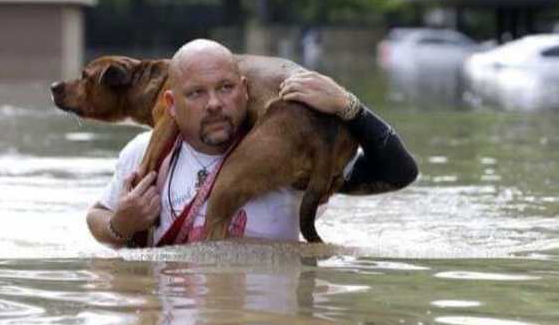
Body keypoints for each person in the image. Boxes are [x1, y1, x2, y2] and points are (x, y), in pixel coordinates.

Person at [86, 39, 417, 247]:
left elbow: (399, 172)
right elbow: (96, 217)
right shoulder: (143, 153)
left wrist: (351, 108)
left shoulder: (283, 159)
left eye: (226, 88)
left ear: (246, 89)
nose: (214, 103)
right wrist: (120, 225)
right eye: (197, 93)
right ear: (170, 104)